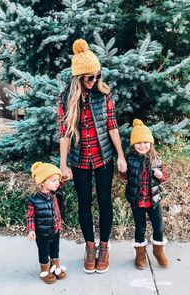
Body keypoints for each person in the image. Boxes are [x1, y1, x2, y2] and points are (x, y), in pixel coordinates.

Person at [57, 39, 127, 274]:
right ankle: (89, 246)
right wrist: (63, 164)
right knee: (84, 204)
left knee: (105, 201)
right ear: (79, 77)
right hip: (79, 160)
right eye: (90, 77)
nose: (95, 81)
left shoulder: (103, 96)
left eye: (97, 76)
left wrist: (121, 156)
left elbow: (112, 126)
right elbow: (64, 133)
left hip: (103, 157)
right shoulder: (65, 99)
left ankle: (104, 247)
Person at [124, 119, 169, 269]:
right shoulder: (130, 159)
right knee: (140, 228)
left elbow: (164, 177)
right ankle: (140, 254)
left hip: (153, 200)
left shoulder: (156, 160)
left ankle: (158, 251)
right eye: (139, 143)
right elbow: (125, 177)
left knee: (159, 227)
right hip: (137, 200)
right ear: (133, 145)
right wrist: (123, 171)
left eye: (145, 142)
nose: (142, 145)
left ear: (151, 143)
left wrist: (159, 175)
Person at [26, 162, 67, 284]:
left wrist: (64, 176)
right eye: (53, 180)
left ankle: (55, 268)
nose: (57, 183)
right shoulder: (34, 200)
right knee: (44, 251)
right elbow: (30, 217)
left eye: (58, 180)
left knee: (55, 249)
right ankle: (44, 271)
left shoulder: (55, 194)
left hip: (55, 229)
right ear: (42, 182)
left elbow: (61, 182)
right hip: (42, 232)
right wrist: (31, 230)